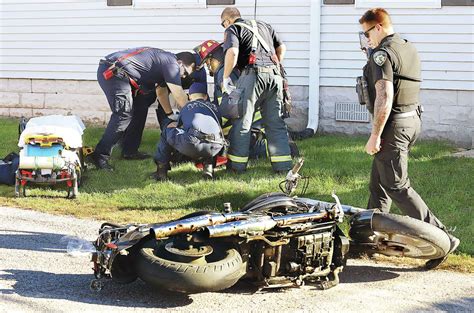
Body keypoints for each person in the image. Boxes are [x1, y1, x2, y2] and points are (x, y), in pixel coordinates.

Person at [358, 8, 459, 269]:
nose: (366, 39)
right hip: (412, 120)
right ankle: (367, 241)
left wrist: (375, 135)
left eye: (367, 33)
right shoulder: (407, 47)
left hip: (394, 126)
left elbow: (385, 97)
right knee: (378, 183)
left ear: (378, 27)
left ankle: (443, 237)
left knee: (396, 185)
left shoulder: (382, 54)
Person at [92, 47, 195, 170]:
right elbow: (178, 93)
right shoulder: (172, 64)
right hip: (113, 72)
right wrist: (193, 116)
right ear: (180, 63)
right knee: (123, 114)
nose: (183, 77)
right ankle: (99, 155)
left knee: (141, 107)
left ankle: (129, 151)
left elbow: (161, 92)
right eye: (185, 73)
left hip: (123, 74)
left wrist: (169, 115)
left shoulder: (166, 62)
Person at [220, 7, 292, 173]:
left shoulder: (233, 29)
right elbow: (282, 48)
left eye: (222, 24)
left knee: (243, 121)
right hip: (275, 78)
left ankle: (236, 167)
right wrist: (274, 66)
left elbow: (232, 52)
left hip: (252, 75)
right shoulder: (265, 25)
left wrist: (225, 78)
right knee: (275, 123)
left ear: (227, 20)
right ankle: (283, 167)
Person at [152, 82, 225, 181]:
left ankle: (161, 172)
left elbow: (179, 126)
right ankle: (208, 170)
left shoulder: (187, 106)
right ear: (206, 96)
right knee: (210, 133)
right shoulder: (215, 107)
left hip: (192, 144)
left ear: (189, 96)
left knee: (166, 132)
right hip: (215, 146)